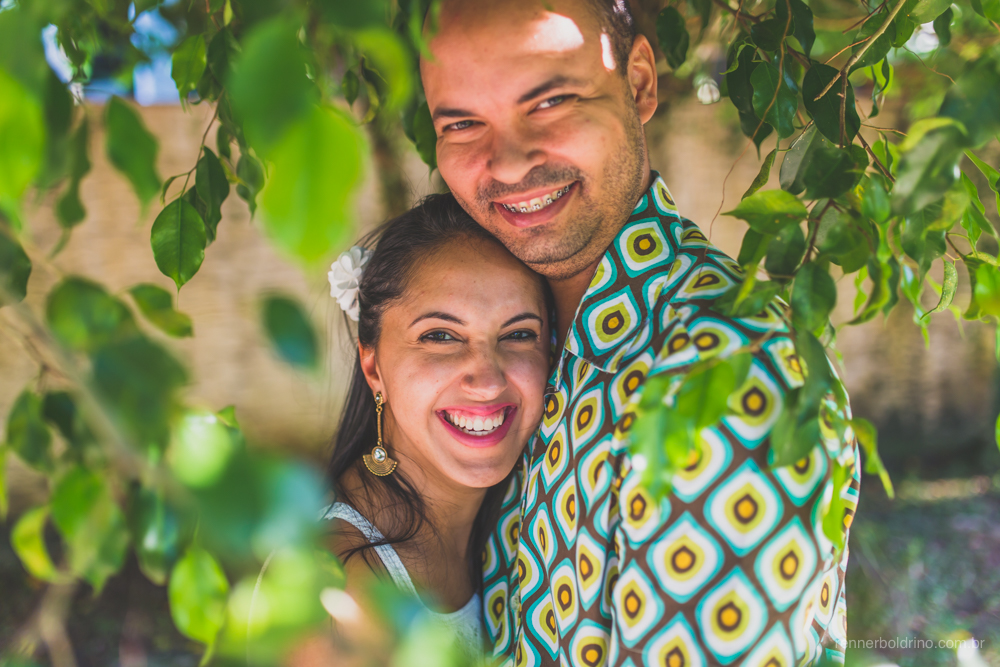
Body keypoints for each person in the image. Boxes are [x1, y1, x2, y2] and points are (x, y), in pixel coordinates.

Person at [420, 0, 861, 665]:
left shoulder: (722, 374)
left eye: (548, 103)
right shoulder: (523, 348)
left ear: (641, 84)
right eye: (462, 122)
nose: (506, 164)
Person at [321, 194, 551, 658]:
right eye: (440, 336)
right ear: (374, 367)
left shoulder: (523, 522)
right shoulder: (338, 591)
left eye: (518, 334)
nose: (487, 380)